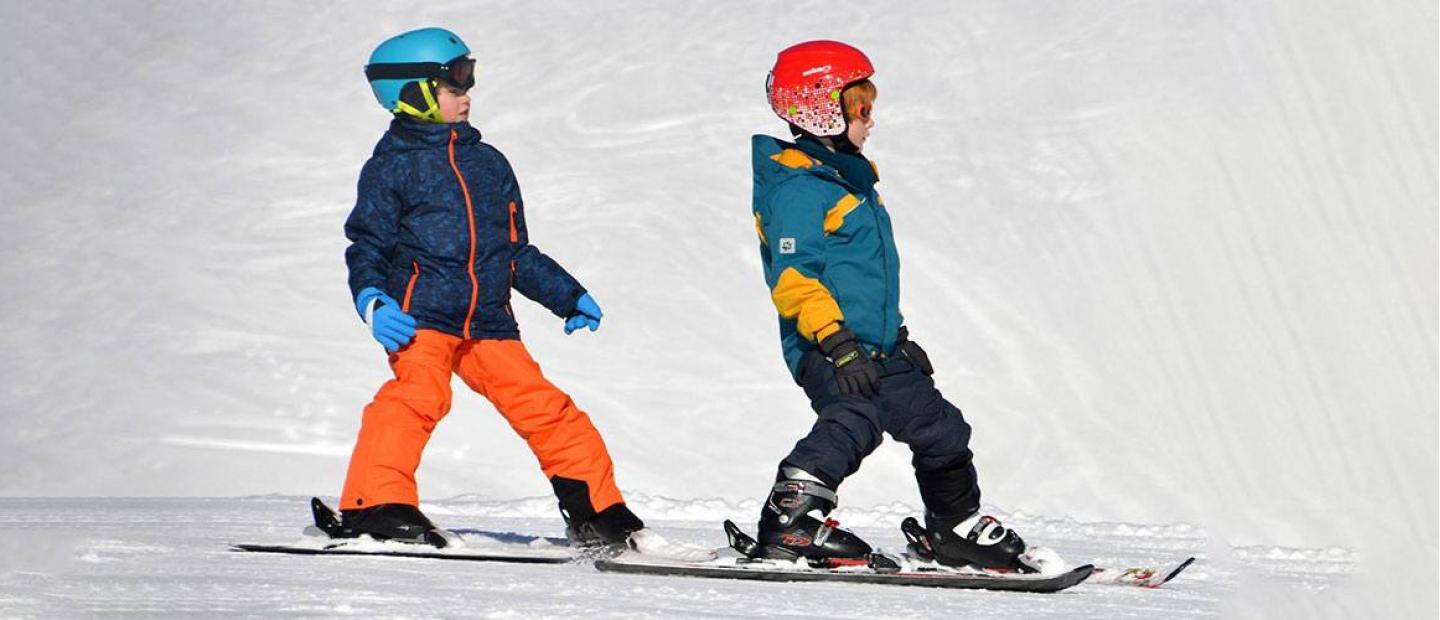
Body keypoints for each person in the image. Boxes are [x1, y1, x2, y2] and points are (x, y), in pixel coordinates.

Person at [336, 27, 642, 548]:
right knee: (416, 398)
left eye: (468, 80)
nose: (467, 94)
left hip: (489, 321)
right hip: (421, 315)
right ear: (413, 93)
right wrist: (372, 299)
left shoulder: (489, 162)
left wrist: (566, 294)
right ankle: (375, 505)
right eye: (453, 84)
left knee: (548, 408)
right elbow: (368, 244)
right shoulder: (391, 168)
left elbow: (514, 250)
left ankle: (598, 510)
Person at [748, 40, 1032, 569]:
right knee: (854, 419)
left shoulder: (847, 180)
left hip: (876, 348)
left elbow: (865, 280)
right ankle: (789, 523)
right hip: (826, 346)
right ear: (819, 108)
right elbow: (794, 279)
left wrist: (895, 339)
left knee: (941, 427)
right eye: (860, 107)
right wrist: (836, 340)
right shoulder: (798, 189)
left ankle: (953, 529)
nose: (869, 120)